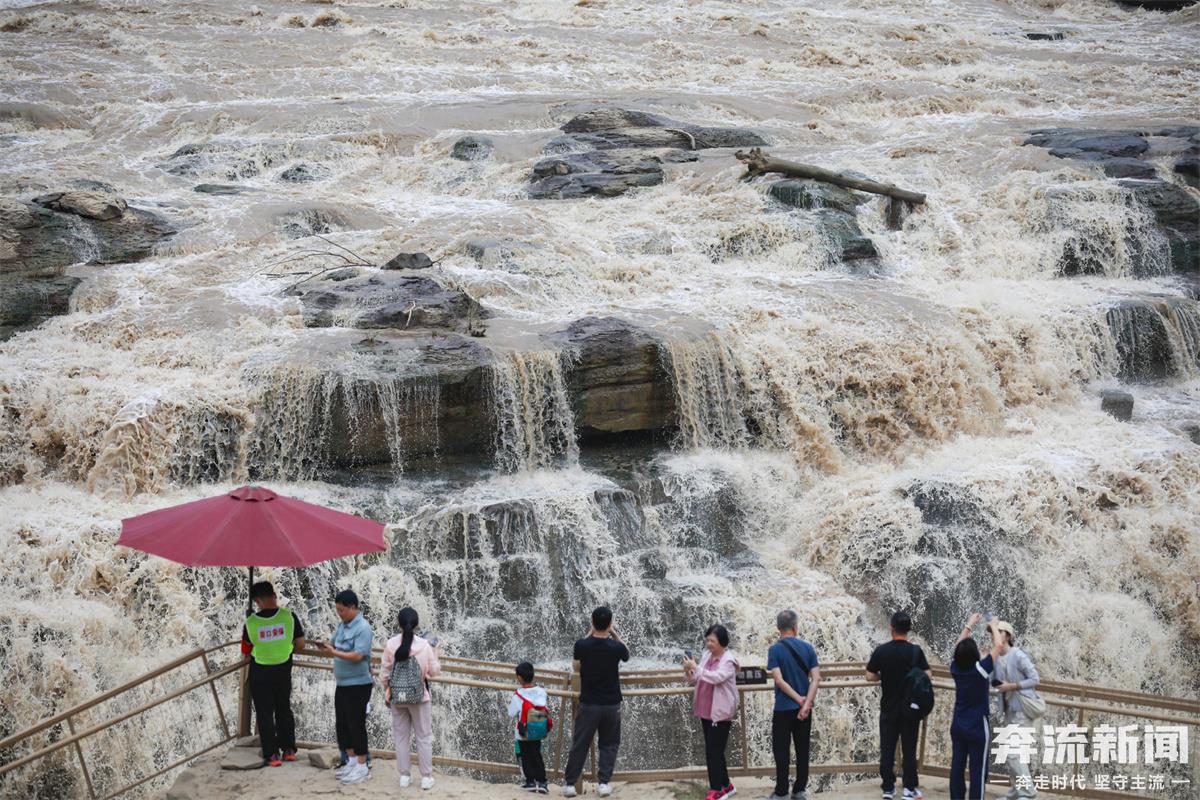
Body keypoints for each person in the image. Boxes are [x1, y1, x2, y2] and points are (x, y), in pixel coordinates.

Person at [562, 606, 630, 798]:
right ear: (610, 623)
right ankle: (603, 784)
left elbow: (577, 655)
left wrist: (591, 632)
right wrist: (613, 633)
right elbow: (626, 654)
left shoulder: (582, 645)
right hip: (611, 704)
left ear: (592, 622)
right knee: (609, 744)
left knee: (580, 743)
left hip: (589, 704)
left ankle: (570, 784)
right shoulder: (616, 647)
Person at [866, 611, 931, 800]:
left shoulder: (882, 651)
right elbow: (928, 675)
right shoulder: (915, 651)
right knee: (909, 751)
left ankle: (888, 788)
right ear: (909, 629)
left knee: (887, 751)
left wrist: (883, 676)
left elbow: (869, 675)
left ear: (891, 628)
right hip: (910, 709)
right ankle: (909, 789)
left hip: (889, 708)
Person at [240, 581, 305, 767]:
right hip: (283, 670)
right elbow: (301, 644)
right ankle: (289, 749)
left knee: (265, 713)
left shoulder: (251, 622)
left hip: (260, 672)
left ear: (258, 601)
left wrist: (251, 620)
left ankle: (272, 755)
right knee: (284, 709)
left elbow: (246, 649)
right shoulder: (289, 616)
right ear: (274, 596)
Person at [380, 607, 442, 791]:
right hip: (419, 697)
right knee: (423, 737)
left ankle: (404, 776)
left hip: (398, 697)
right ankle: (426, 777)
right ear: (417, 625)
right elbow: (434, 671)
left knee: (401, 736)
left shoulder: (391, 644)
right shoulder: (424, 645)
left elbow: (384, 673)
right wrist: (436, 650)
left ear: (398, 624)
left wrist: (389, 690)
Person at [763, 610, 821, 800]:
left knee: (781, 750)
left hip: (783, 708)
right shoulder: (808, 648)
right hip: (804, 709)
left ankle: (781, 792)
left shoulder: (774, 650)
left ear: (778, 628)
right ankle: (799, 790)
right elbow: (816, 678)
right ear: (795, 627)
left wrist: (798, 699)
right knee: (803, 749)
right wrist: (806, 703)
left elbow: (779, 680)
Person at [321, 589, 374, 785]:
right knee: (342, 724)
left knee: (356, 725)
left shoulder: (363, 628)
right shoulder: (342, 626)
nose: (339, 614)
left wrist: (334, 652)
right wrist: (324, 645)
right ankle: (351, 762)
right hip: (342, 683)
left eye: (342, 610)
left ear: (353, 607)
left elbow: (358, 655)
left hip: (358, 684)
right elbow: (333, 642)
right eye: (337, 610)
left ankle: (362, 766)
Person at [949, 614, 1003, 800]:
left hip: (958, 724)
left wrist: (969, 625)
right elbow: (998, 646)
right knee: (977, 770)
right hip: (977, 726)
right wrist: (993, 625)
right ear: (974, 656)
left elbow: (957, 647)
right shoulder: (980, 670)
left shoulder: (955, 668)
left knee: (957, 766)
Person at [683, 624, 740, 800]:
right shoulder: (707, 655)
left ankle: (716, 789)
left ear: (722, 642)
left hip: (720, 712)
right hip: (705, 710)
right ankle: (727, 785)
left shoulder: (728, 661)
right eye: (707, 640)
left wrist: (697, 668)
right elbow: (696, 678)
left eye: (712, 641)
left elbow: (717, 677)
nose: (708, 644)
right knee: (715, 750)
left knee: (713, 751)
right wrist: (689, 671)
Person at [993, 620, 1041, 799]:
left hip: (1022, 710)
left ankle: (1028, 792)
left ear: (1007, 635)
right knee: (1010, 752)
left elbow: (1035, 679)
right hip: (1009, 710)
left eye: (999, 631)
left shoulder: (1018, 655)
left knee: (1014, 753)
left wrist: (1012, 686)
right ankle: (1016, 790)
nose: (995, 635)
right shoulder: (997, 657)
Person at [508, 661, 550, 794]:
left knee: (525, 755)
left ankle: (530, 781)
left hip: (524, 731)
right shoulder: (542, 692)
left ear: (519, 678)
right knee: (537, 755)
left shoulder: (518, 695)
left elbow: (511, 713)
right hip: (538, 729)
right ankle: (542, 783)